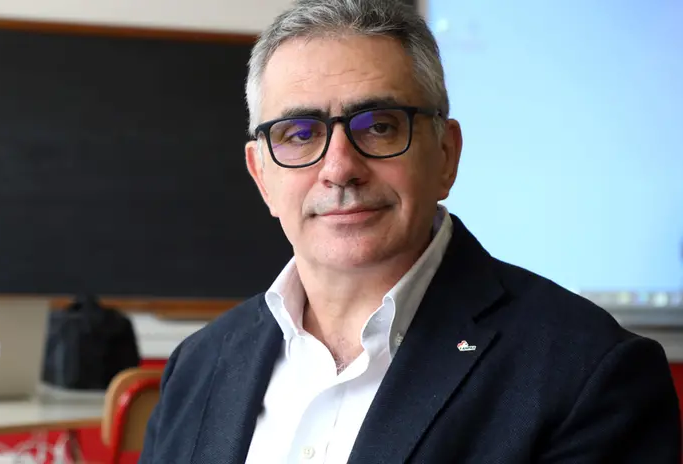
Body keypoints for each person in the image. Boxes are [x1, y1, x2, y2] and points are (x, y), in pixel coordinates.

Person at [140, 0, 681, 462]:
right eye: (299, 134)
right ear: (262, 175)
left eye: (379, 126)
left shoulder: (589, 374)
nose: (339, 168)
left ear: (446, 154)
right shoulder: (197, 366)